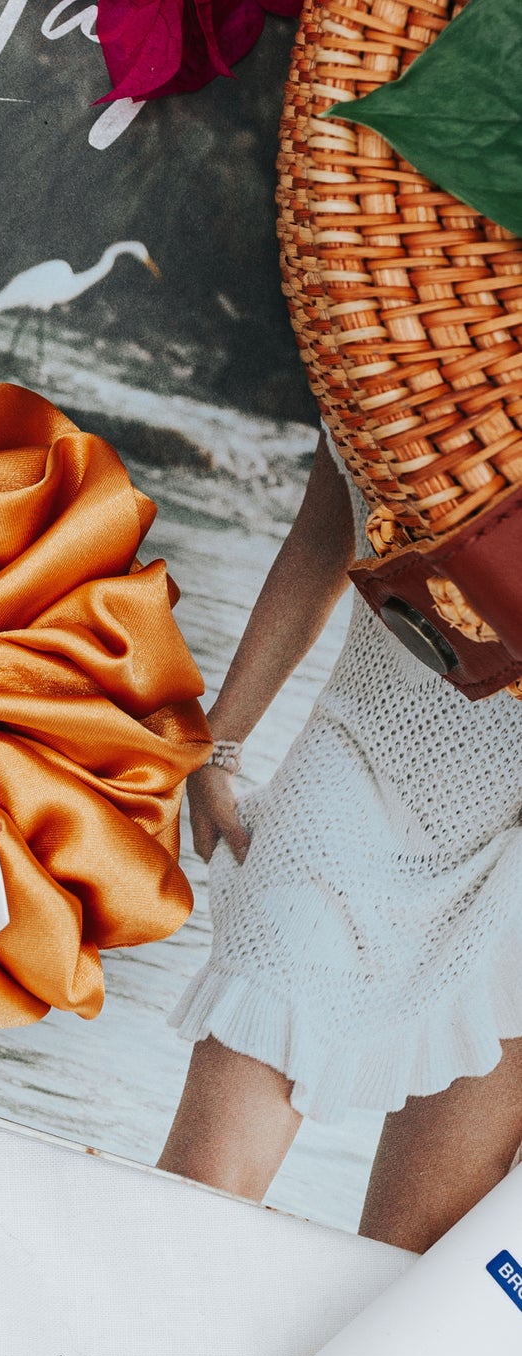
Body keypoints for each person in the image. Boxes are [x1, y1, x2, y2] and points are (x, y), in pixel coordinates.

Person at [158, 434, 522, 1252]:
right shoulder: (381, 318)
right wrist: (219, 740)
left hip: (515, 865)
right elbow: (325, 531)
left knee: (403, 1267)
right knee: (194, 1196)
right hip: (352, 773)